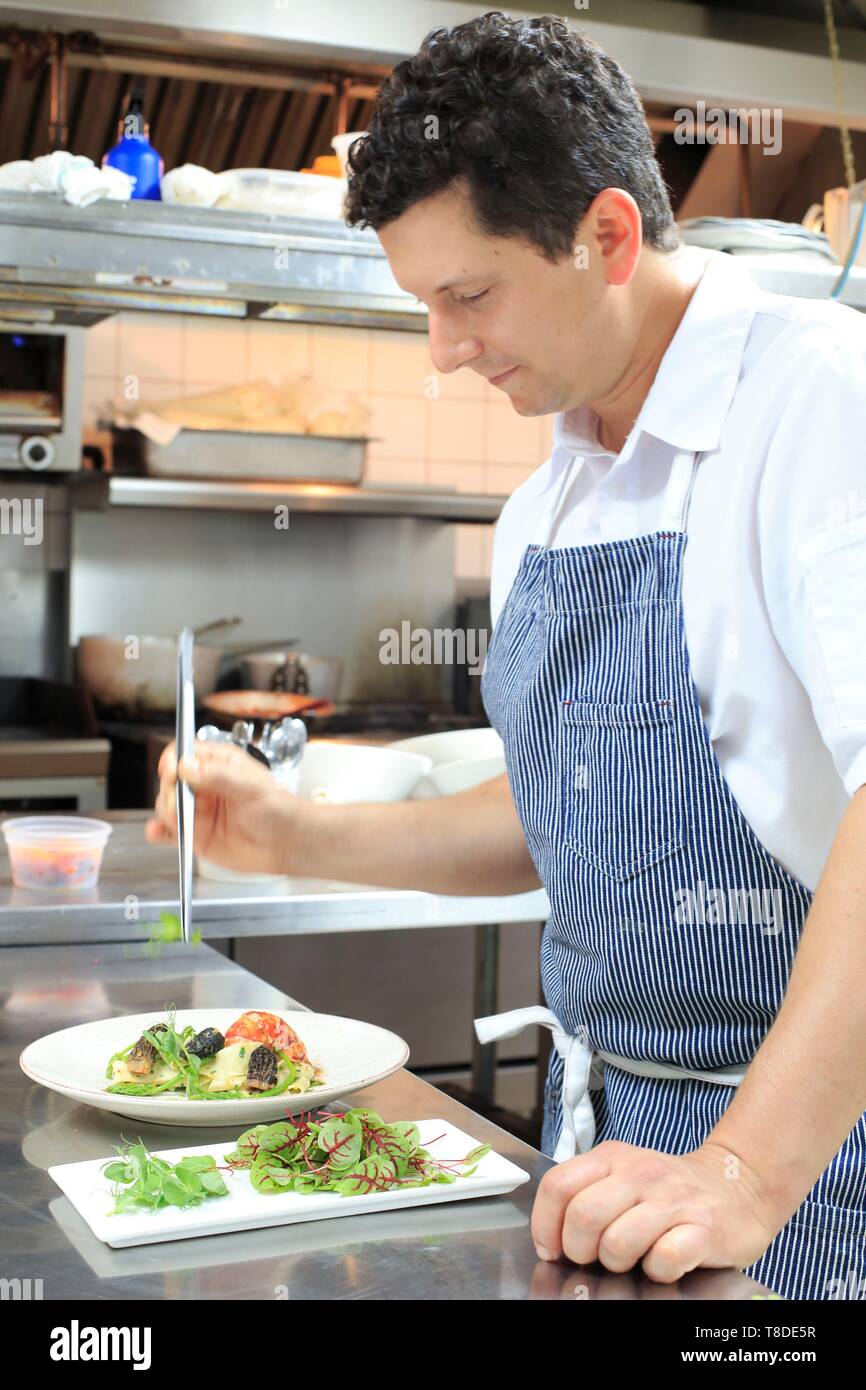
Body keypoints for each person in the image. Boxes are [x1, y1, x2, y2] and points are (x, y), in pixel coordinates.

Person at [147, 13, 866, 1300]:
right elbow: (566, 822)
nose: (442, 349)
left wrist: (745, 1172)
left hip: (801, 1172)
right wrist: (288, 833)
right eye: (422, 305)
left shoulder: (817, 401)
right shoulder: (556, 488)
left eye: (466, 295)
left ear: (606, 235)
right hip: (603, 1161)